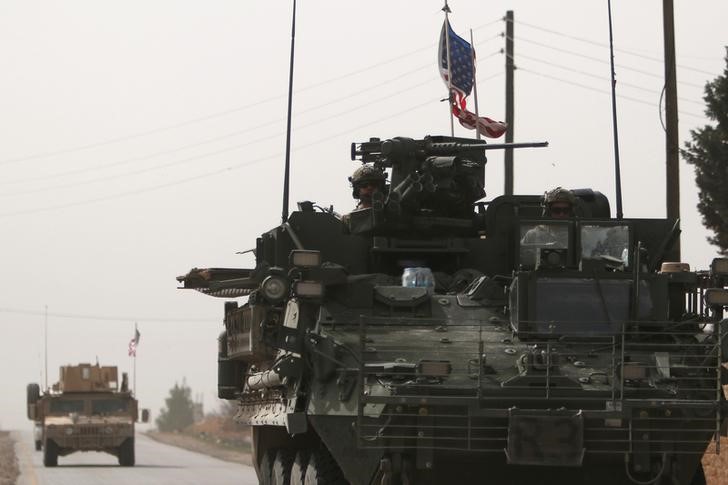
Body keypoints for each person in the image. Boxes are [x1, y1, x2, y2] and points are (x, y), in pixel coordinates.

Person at [519, 187, 576, 265]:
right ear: (548, 211)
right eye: (557, 210)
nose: (561, 214)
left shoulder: (580, 234)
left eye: (566, 210)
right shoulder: (533, 234)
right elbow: (521, 257)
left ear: (571, 212)